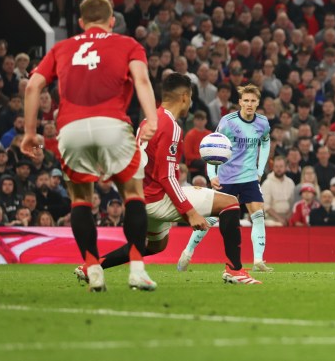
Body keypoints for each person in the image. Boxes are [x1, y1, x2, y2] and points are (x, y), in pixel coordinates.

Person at [21, 0, 159, 292]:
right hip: (112, 124)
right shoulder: (127, 44)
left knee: (81, 199)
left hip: (70, 128)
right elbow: (142, 81)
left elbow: (32, 85)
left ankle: (93, 268)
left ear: (81, 23)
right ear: (112, 21)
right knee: (133, 193)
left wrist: (30, 132)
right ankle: (136, 269)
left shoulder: (61, 47)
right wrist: (152, 119)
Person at [74, 74, 258, 285]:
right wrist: (190, 212)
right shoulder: (170, 126)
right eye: (190, 97)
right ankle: (234, 270)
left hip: (142, 198)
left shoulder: (148, 121)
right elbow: (166, 176)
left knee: (156, 246)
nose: (190, 102)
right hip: (157, 198)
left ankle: (92, 266)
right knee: (230, 204)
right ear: (184, 97)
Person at [179, 83, 272, 272]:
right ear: (239, 102)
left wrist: (259, 170)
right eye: (246, 100)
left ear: (257, 103)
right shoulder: (227, 122)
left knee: (259, 215)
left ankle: (258, 261)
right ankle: (187, 252)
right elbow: (213, 148)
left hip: (248, 178)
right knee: (211, 220)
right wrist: (212, 175)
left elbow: (266, 142)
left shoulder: (263, 123)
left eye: (253, 101)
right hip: (226, 177)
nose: (249, 104)